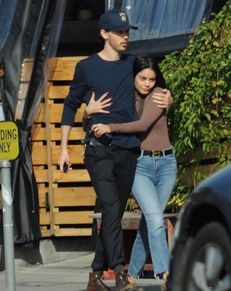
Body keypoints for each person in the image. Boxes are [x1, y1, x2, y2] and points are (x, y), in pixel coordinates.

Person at [58, 9, 172, 291]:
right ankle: (120, 274)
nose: (125, 37)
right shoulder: (86, 67)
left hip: (129, 151)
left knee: (113, 213)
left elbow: (155, 81)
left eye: (127, 32)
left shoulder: (132, 63)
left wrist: (168, 96)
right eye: (119, 32)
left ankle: (95, 275)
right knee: (110, 207)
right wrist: (64, 146)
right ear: (103, 34)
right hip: (99, 149)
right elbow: (70, 105)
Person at [91, 56, 177, 288]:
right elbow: (96, 116)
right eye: (142, 78)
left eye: (151, 78)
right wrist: (87, 113)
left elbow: (142, 125)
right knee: (154, 218)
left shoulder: (159, 94)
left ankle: (131, 276)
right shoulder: (124, 97)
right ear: (132, 77)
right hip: (140, 166)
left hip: (167, 165)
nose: (148, 83)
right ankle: (165, 274)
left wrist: (112, 126)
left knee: (150, 222)